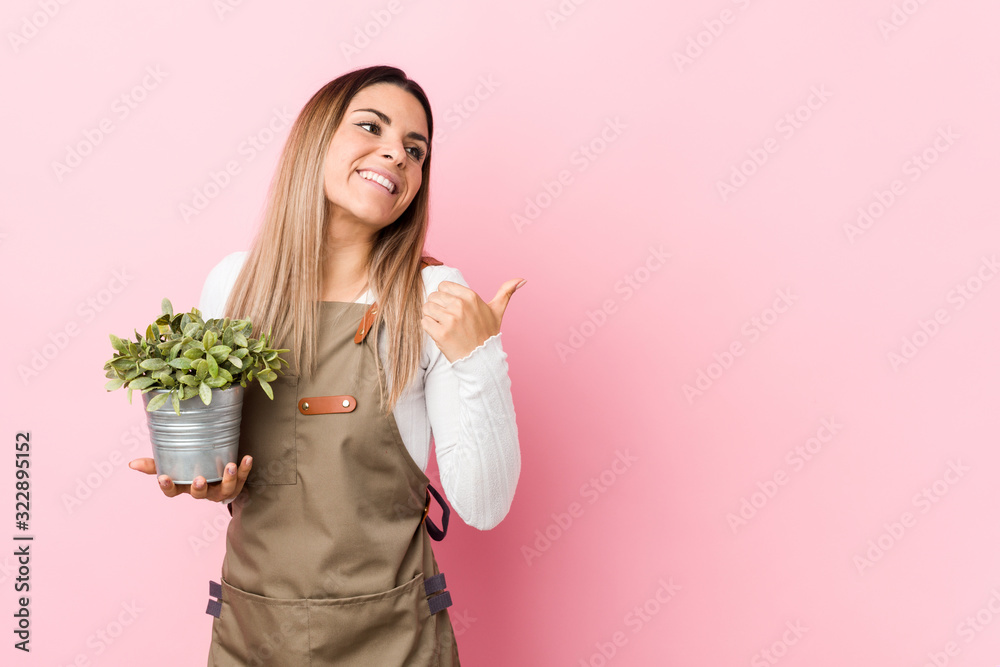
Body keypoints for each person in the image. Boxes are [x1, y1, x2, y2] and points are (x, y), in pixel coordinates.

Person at [128, 65, 524, 665]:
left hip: (395, 640)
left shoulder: (433, 295)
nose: (397, 154)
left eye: (415, 152)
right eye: (372, 127)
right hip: (253, 634)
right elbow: (224, 459)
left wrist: (479, 358)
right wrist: (210, 480)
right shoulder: (234, 284)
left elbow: (486, 505)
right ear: (315, 139)